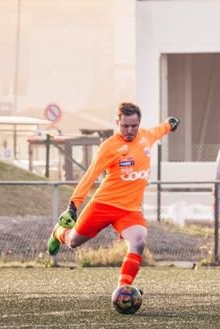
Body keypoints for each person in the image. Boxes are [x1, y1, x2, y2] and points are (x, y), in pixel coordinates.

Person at [47, 102, 180, 289]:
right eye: (125, 126)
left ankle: (123, 289)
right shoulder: (109, 147)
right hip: (102, 205)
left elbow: (160, 129)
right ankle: (58, 232)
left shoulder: (146, 137)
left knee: (138, 241)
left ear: (139, 123)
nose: (130, 130)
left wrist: (169, 124)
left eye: (134, 126)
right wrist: (73, 206)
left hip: (129, 211)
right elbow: (90, 176)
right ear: (118, 122)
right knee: (73, 242)